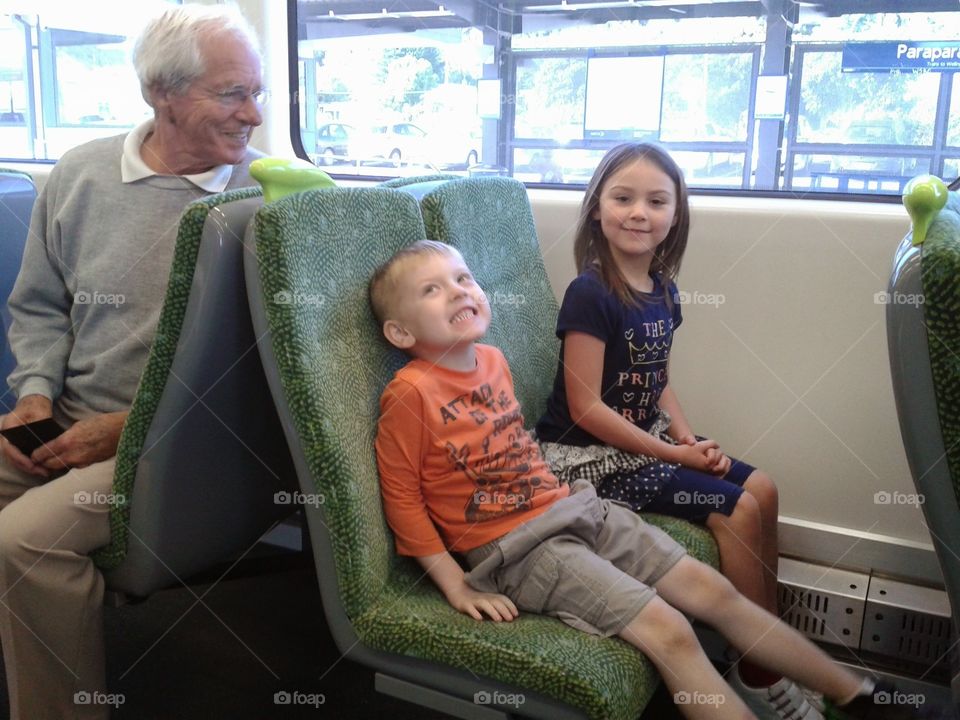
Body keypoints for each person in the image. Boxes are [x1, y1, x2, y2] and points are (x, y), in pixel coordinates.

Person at [369, 239, 945, 720]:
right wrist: (456, 583)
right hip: (516, 548)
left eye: (463, 278)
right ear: (399, 332)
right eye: (432, 290)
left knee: (711, 590)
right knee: (670, 630)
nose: (459, 291)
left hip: (572, 506)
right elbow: (402, 496)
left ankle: (860, 696)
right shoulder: (410, 393)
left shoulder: (493, 361)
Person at [0, 5, 264, 718]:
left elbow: (260, 373)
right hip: (65, 419)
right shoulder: (81, 173)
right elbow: (40, 307)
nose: (254, 114)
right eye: (232, 93)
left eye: (256, 92)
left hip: (179, 445)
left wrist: (124, 428)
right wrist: (34, 396)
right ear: (161, 93)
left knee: (25, 541)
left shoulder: (271, 198)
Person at [533, 142, 790, 715]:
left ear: (676, 215)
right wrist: (675, 457)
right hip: (587, 459)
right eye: (622, 198)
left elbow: (658, 379)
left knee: (764, 489)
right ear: (596, 208)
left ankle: (773, 643)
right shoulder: (590, 293)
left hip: (645, 443)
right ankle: (761, 674)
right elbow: (585, 408)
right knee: (737, 508)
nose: (638, 213)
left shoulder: (664, 289)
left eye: (656, 201)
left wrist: (687, 439)